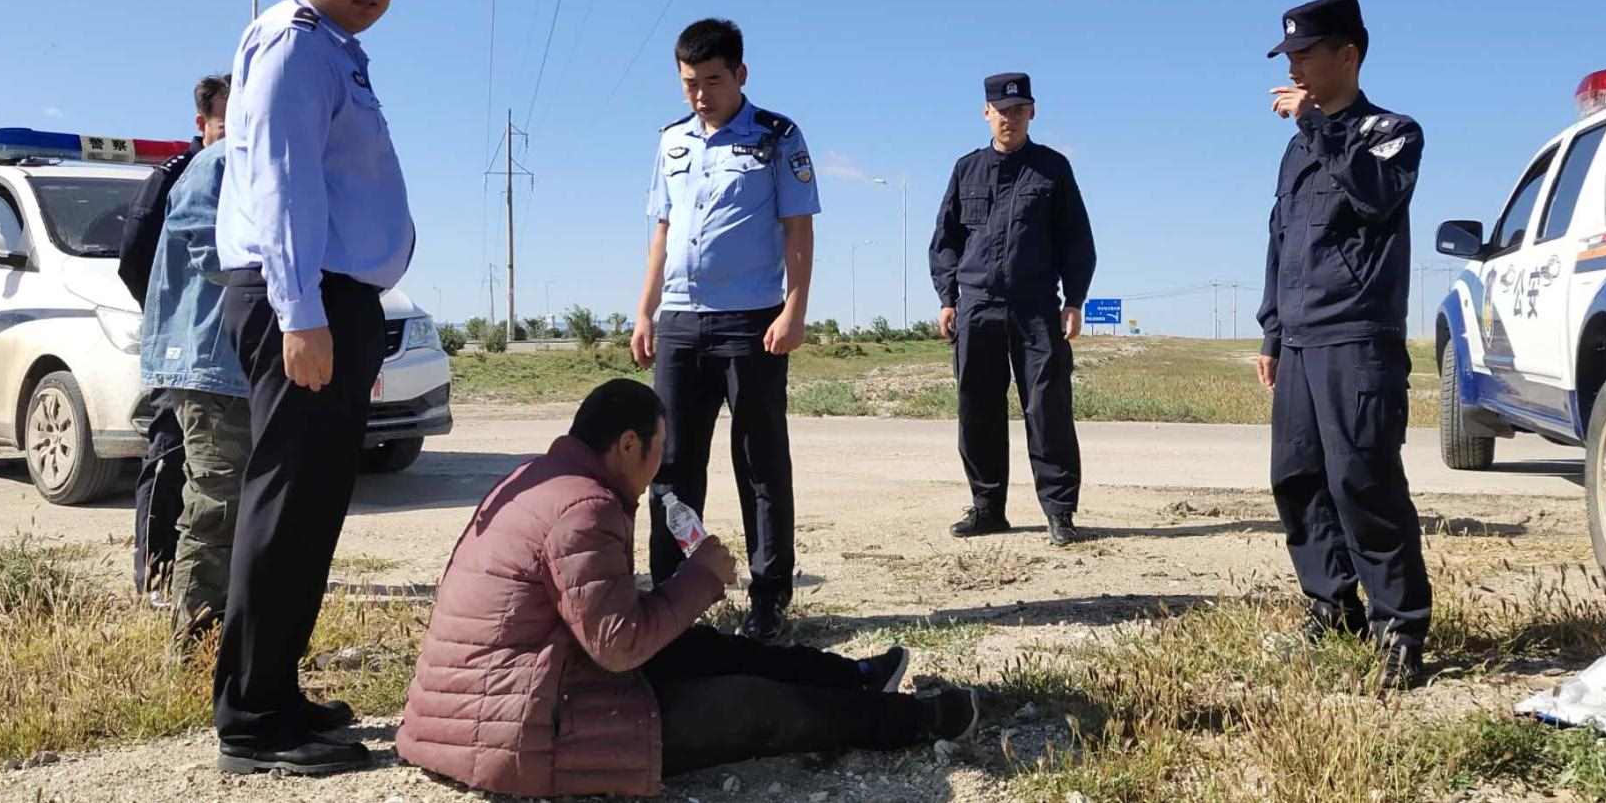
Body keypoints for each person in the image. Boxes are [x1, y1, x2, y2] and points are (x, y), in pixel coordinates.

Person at [397, 379, 980, 798]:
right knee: (751, 708)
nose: (661, 463)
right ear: (629, 445)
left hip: (507, 697)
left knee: (700, 649)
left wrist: (684, 592)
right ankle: (915, 719)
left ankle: (854, 679)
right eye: (659, 447)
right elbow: (617, 645)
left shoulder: (545, 479)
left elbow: (603, 625)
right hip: (517, 726)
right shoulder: (583, 508)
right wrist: (700, 577)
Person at [211, 0, 416, 774]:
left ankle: (277, 692)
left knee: (314, 505)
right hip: (304, 296)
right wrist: (302, 315)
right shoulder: (294, 46)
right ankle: (252, 722)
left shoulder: (338, 53)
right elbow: (283, 185)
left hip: (333, 297)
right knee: (287, 500)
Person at [1255, 0, 1430, 689]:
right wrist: (1271, 330)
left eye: (1305, 53)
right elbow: (1281, 241)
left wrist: (1318, 127)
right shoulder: (1297, 149)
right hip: (1299, 341)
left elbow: (1375, 196)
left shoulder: (1392, 131)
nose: (1293, 66)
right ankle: (1332, 609)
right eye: (1288, 55)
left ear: (1347, 55)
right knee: (1298, 479)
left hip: (1357, 338)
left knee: (1364, 481)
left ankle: (1401, 629)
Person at [631, 18, 817, 642]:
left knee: (759, 460)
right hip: (681, 321)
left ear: (740, 74)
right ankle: (673, 594)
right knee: (671, 463)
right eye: (689, 83)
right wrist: (645, 311)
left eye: (712, 81)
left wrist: (794, 309)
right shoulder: (672, 141)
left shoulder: (776, 138)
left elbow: (798, 229)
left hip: (752, 322)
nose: (700, 95)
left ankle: (769, 595)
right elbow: (662, 230)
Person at [928, 72, 1097, 547]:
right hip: (977, 306)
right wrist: (947, 298)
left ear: (1032, 112)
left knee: (1047, 409)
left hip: (1035, 306)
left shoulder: (1053, 169)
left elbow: (1076, 239)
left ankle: (1059, 512)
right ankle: (987, 509)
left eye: (1019, 110)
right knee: (977, 409)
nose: (1010, 118)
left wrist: (1075, 299)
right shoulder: (966, 170)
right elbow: (945, 240)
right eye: (1002, 111)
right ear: (986, 113)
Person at [139, 96, 251, 643]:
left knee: (237, 504)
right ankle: (194, 643)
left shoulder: (244, 160)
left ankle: (231, 637)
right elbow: (206, 242)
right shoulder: (222, 161)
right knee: (216, 505)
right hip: (213, 364)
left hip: (234, 366)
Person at [118, 74, 229, 601]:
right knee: (169, 455)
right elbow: (134, 260)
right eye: (225, 124)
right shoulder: (178, 176)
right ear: (201, 123)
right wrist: (171, 318)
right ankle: (155, 572)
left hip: (222, 349)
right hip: (185, 348)